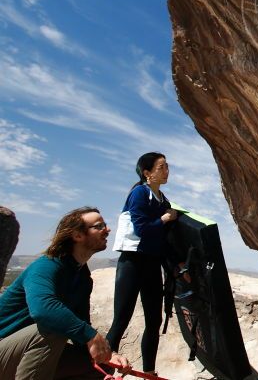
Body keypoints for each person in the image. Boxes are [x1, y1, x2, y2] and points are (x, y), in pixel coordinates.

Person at [0, 206, 132, 380]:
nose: (107, 230)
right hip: (6, 349)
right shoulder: (46, 266)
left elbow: (81, 328)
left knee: (102, 364)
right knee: (53, 329)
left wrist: (109, 355)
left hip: (23, 354)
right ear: (77, 235)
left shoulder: (82, 277)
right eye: (99, 226)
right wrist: (91, 336)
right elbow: (43, 310)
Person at [106, 153, 177, 375]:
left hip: (152, 264)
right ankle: (102, 369)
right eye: (162, 167)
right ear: (147, 173)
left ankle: (149, 373)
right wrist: (165, 219)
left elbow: (165, 238)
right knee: (121, 319)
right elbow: (141, 228)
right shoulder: (139, 193)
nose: (167, 171)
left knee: (154, 321)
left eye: (167, 166)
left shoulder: (162, 199)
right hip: (132, 262)